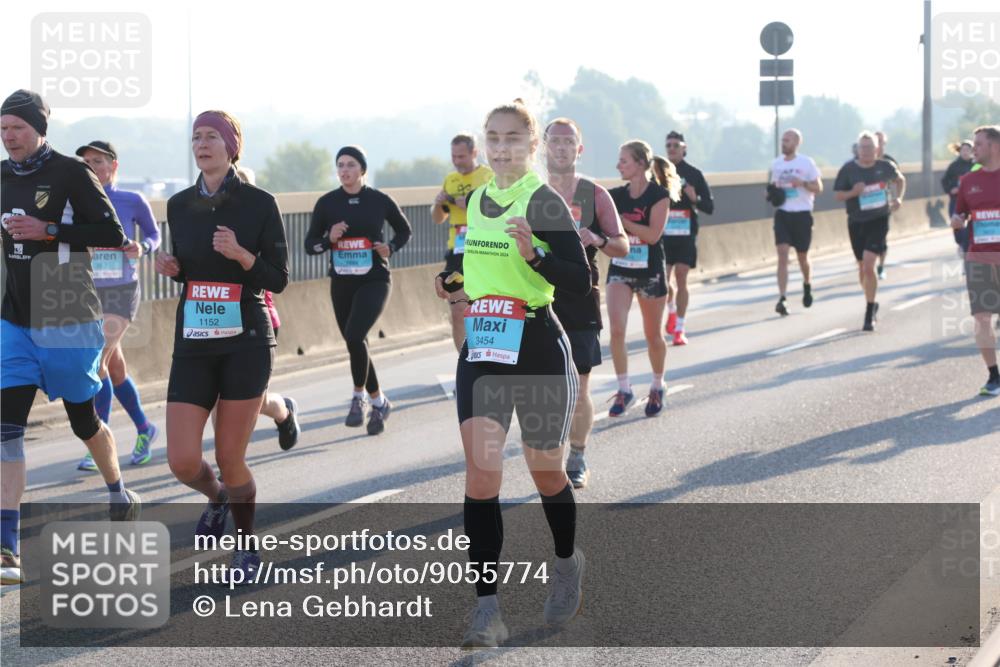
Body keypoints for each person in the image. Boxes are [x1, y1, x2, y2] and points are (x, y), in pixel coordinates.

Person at [455, 100, 590, 648]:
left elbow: (579, 281)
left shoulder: (543, 200)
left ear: (532, 146)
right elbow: (477, 263)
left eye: (513, 137)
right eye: (494, 136)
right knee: (481, 474)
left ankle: (566, 561)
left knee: (544, 474)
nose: (502, 145)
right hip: (485, 342)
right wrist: (452, 278)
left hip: (536, 341)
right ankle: (487, 611)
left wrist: (535, 256)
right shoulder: (478, 197)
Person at [1, 90, 139, 586]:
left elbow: (110, 233)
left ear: (39, 129)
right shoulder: (1, 176)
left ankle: (117, 490)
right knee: (6, 429)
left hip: (67, 318)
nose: (8, 136)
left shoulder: (70, 173)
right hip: (14, 320)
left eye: (17, 127)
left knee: (84, 421)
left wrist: (49, 230)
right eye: (3, 128)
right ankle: (6, 546)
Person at [155, 110, 288, 582]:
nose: (202, 143)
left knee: (231, 456)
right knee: (182, 459)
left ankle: (247, 545)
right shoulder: (178, 204)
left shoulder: (259, 203)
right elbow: (194, 272)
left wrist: (242, 255)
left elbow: (278, 278)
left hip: (246, 341)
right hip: (194, 338)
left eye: (212, 136)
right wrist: (175, 271)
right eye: (196, 136)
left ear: (233, 146)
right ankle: (216, 497)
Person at [544, 117, 628, 489]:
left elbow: (622, 244)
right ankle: (547, 456)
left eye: (568, 142)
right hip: (534, 296)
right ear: (543, 147)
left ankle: (576, 455)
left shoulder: (593, 194)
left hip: (578, 296)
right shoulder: (529, 190)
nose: (561, 148)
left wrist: (596, 237)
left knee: (578, 387)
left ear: (579, 149)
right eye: (554, 141)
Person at [305, 146, 411, 435]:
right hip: (342, 282)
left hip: (375, 278)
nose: (344, 170)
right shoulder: (327, 203)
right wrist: (329, 238)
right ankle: (380, 403)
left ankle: (358, 398)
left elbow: (404, 230)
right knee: (356, 342)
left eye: (351, 165)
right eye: (340, 165)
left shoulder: (379, 200)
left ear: (362, 169)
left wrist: (391, 247)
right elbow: (309, 245)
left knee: (354, 335)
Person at [73, 141, 161, 472]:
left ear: (114, 166)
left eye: (98, 161)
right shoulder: (77, 202)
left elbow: (154, 234)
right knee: (115, 368)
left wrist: (144, 247)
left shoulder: (131, 200)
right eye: (86, 162)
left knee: (98, 363)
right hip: (89, 291)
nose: (92, 166)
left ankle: (99, 443)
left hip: (123, 291)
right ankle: (145, 428)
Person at [606, 141, 677, 418]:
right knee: (616, 330)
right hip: (621, 268)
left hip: (649, 271)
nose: (618, 166)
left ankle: (658, 384)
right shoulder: (615, 196)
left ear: (639, 164)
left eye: (623, 161)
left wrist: (624, 224)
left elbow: (652, 236)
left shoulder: (659, 195)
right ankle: (624, 389)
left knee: (652, 335)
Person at [834, 131, 905, 332]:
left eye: (869, 147)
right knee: (861, 267)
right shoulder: (848, 169)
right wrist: (853, 193)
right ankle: (870, 298)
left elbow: (900, 180)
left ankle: (869, 309)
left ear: (877, 149)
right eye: (862, 147)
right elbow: (838, 195)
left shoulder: (885, 167)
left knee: (868, 263)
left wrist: (898, 198)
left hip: (879, 219)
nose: (865, 151)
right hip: (856, 221)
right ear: (857, 149)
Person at [950, 125, 1000, 397]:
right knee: (982, 318)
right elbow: (960, 215)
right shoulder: (969, 180)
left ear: (993, 146)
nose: (973, 149)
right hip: (978, 257)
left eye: (978, 145)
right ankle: (994, 376)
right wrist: (956, 221)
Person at [432, 134, 493, 351]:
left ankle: (490, 358)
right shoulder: (451, 180)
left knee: (485, 308)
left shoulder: (488, 176)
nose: (457, 161)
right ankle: (464, 367)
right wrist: (438, 205)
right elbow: (438, 218)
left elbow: (497, 210)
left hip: (487, 249)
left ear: (474, 153)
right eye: (453, 157)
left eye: (462, 156)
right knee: (458, 311)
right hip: (458, 249)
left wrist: (469, 203)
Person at [663, 131, 713, 345]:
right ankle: (671, 310)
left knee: (682, 276)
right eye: (669, 145)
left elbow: (709, 207)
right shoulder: (658, 172)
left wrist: (695, 198)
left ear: (684, 148)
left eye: (676, 145)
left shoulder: (694, 174)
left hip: (685, 233)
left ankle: (680, 329)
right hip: (663, 234)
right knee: (663, 283)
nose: (672, 148)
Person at [769, 129, 823, 316]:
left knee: (802, 257)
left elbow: (818, 187)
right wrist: (771, 193)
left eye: (787, 140)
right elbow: (773, 188)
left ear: (797, 143)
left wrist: (803, 184)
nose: (784, 143)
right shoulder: (776, 164)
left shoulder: (806, 163)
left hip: (802, 214)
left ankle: (807, 284)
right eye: (782, 140)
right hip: (783, 213)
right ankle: (782, 297)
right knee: (782, 254)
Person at [942, 139, 975, 256]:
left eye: (968, 150)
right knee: (957, 226)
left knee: (969, 230)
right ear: (959, 151)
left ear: (972, 151)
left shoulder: (976, 165)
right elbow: (944, 181)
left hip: (971, 202)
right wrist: (951, 189)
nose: (965, 152)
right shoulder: (954, 166)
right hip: (956, 201)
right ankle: (961, 244)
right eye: (963, 150)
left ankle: (967, 250)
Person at [874, 131, 898, 280]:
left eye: (882, 142)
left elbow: (896, 181)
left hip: (884, 205)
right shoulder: (861, 161)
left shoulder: (889, 162)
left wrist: (895, 199)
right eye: (877, 141)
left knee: (881, 238)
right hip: (864, 208)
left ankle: (881, 265)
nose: (879, 145)